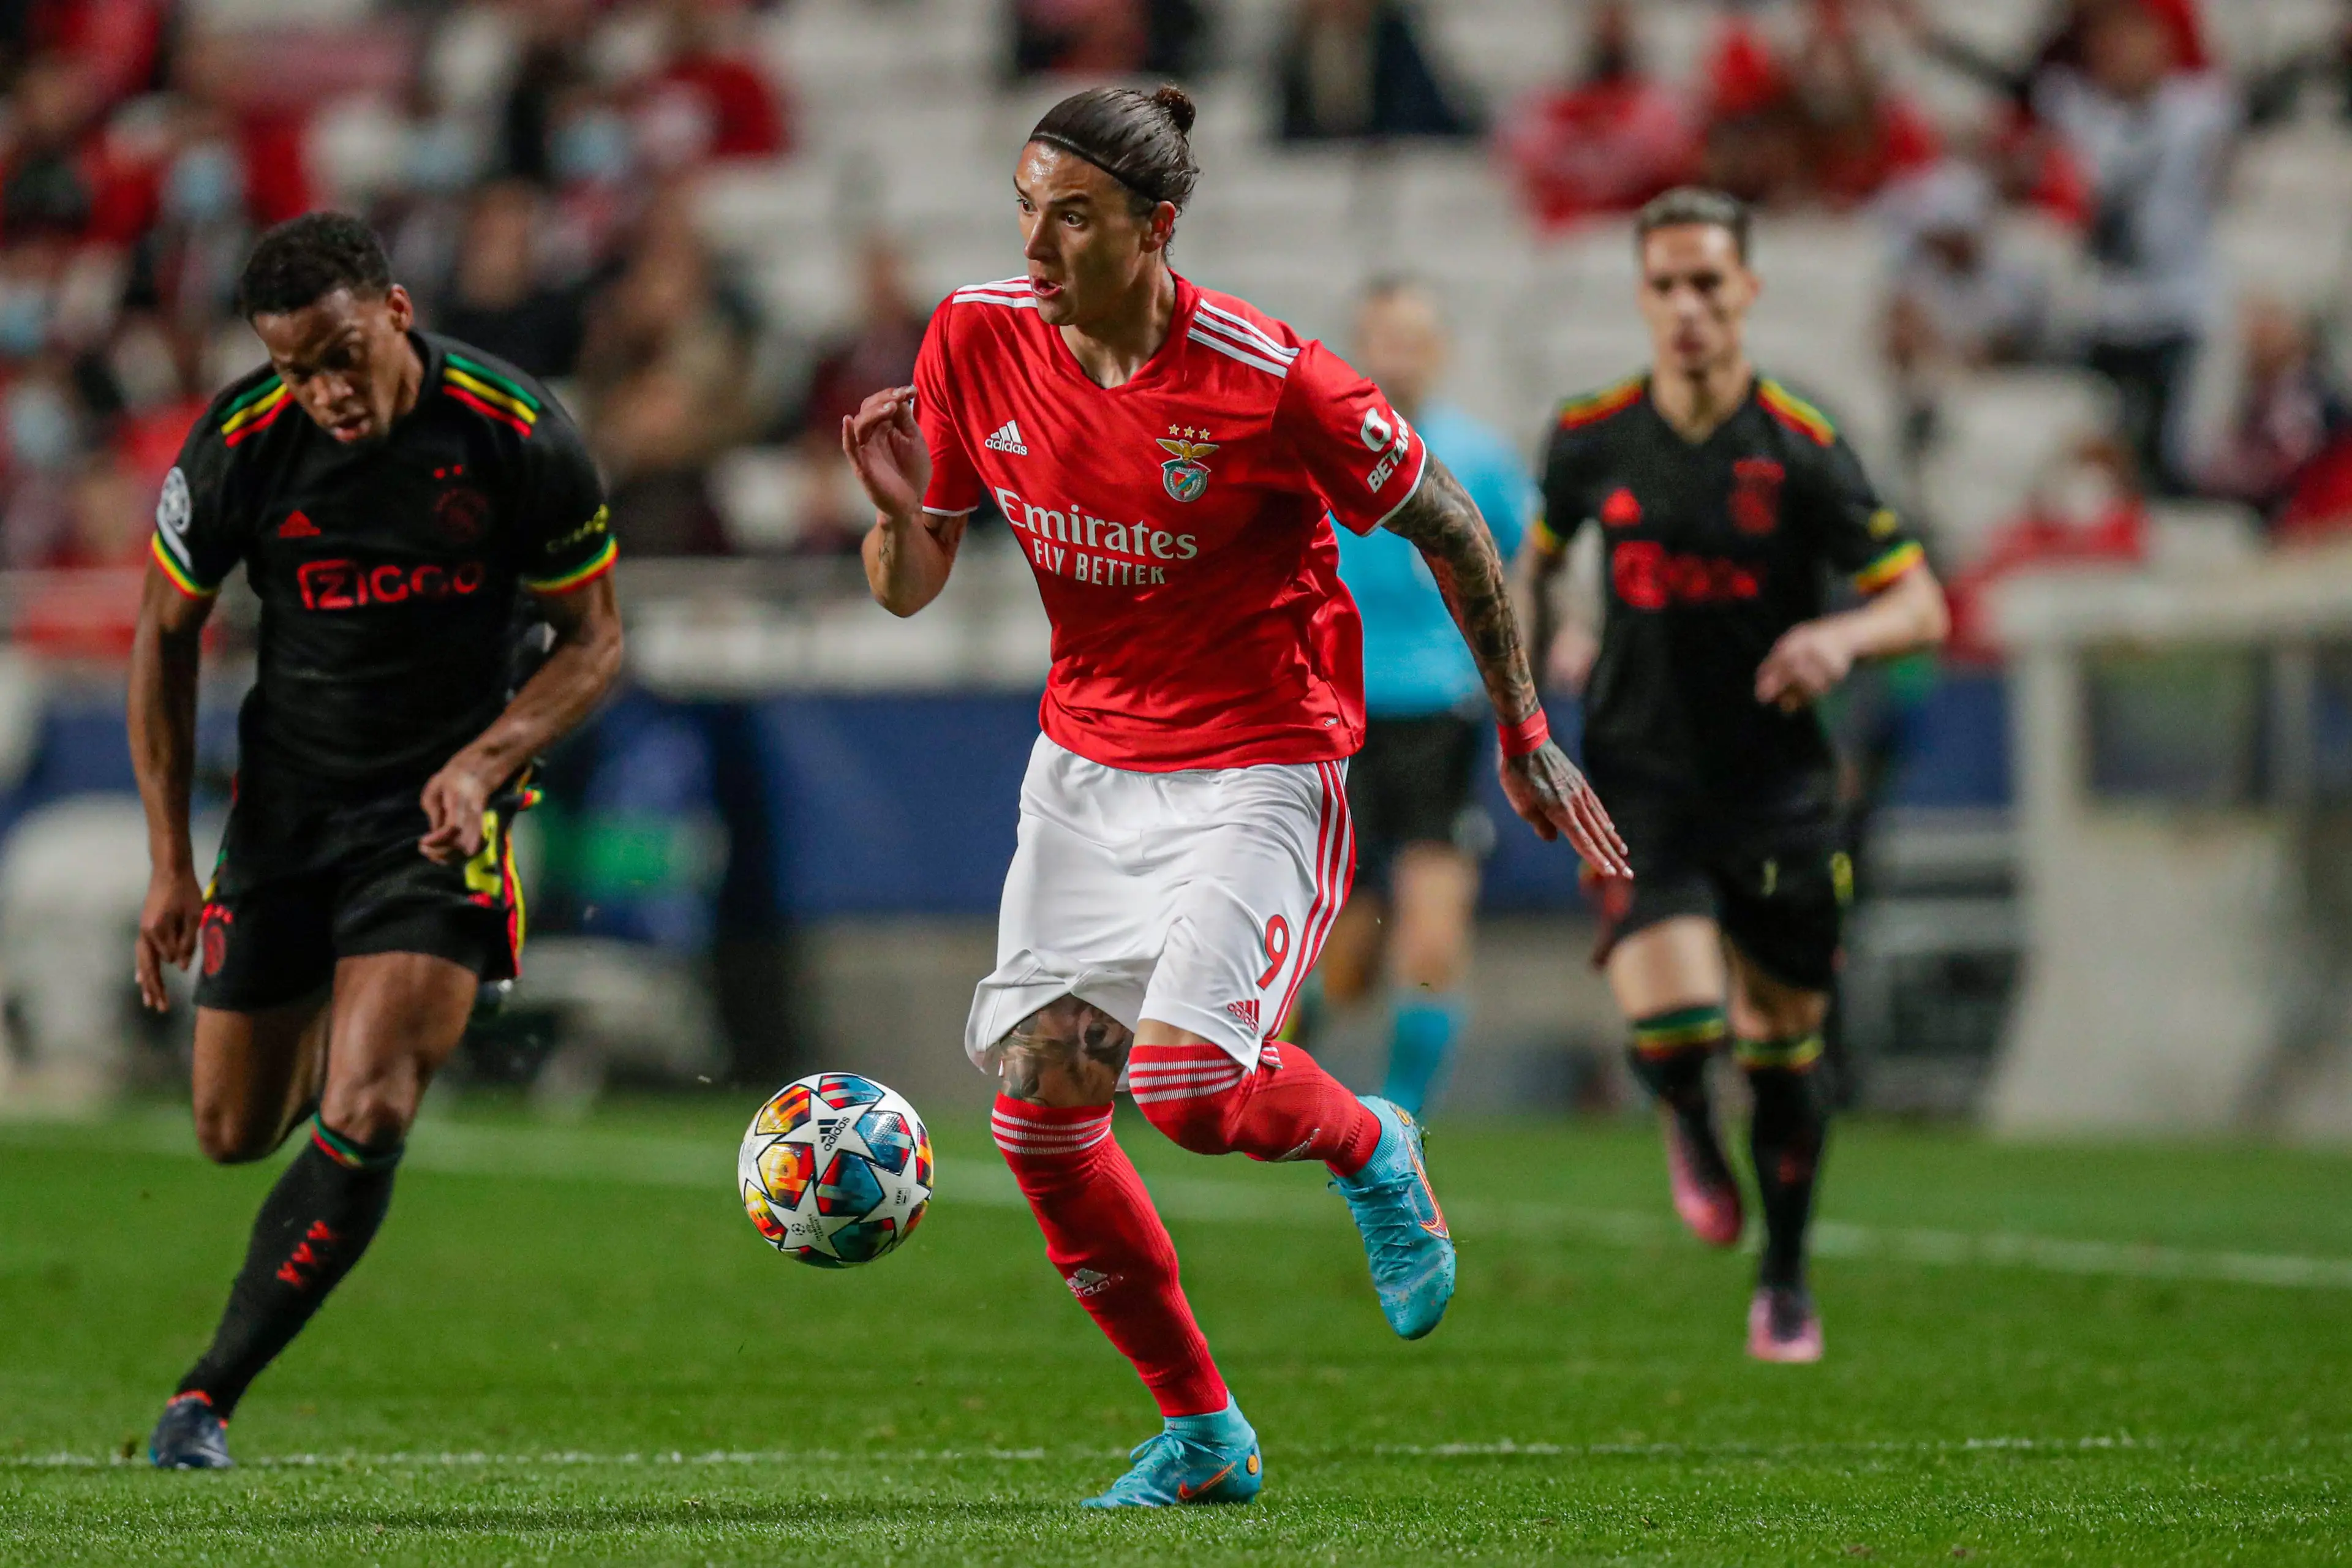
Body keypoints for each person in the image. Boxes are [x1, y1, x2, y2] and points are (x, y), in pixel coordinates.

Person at [842, 85, 1626, 1508]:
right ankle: (1204, 1431)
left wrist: (1522, 729)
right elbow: (914, 587)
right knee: (1038, 1110)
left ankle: (1377, 1141)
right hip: (1087, 766)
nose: (1038, 243)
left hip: (1263, 760)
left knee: (1190, 1086)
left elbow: (1455, 527)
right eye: (1026, 207)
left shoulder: (1273, 378)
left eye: (1072, 217)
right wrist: (898, 517)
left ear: (1156, 227)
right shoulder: (974, 336)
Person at [129, 212, 623, 1468]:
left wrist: (486, 760)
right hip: (290, 810)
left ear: (396, 310)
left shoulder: (516, 434)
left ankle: (205, 1398)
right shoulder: (242, 445)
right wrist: (171, 862)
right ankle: (332, 1051)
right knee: (232, 1130)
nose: (325, 391)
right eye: (297, 367)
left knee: (370, 1096)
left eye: (342, 354)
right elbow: (163, 633)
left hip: (440, 814)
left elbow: (596, 639)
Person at [1516, 187, 1948, 1363]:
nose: (1690, 306)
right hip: (1638, 774)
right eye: (1667, 285)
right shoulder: (1591, 434)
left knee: (1785, 1042)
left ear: (1747, 291)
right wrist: (1539, 661)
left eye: (1710, 282)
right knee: (1679, 1021)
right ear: (1643, 297)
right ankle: (1687, 1123)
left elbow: (1922, 599)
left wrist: (1840, 640)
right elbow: (1532, 565)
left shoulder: (1803, 445)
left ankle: (1788, 1277)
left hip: (1779, 787)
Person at [1278, 279, 1535, 1117]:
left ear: (1441, 350)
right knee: (1345, 954)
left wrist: (1512, 687)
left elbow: (1520, 570)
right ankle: (1283, 1059)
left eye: (1416, 339)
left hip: (1439, 717)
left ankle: (1399, 1130)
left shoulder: (1480, 458)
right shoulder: (1313, 451)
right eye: (1386, 338)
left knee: (1430, 935)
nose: (1401, 355)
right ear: (1361, 348)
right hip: (1334, 719)